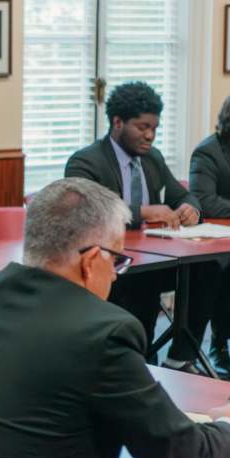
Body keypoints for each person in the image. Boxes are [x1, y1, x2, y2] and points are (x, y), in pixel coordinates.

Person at [0, 177, 230, 458]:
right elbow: (185, 457)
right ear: (91, 261)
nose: (117, 276)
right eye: (117, 260)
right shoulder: (101, 332)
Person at [65, 81, 209, 375]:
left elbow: (183, 193)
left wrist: (190, 208)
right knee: (137, 291)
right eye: (142, 127)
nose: (150, 136)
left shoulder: (152, 158)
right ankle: (133, 362)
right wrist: (142, 211)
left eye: (155, 128)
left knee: (208, 267)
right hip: (111, 260)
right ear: (117, 122)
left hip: (155, 256)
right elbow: (86, 213)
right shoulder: (86, 161)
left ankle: (180, 355)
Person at [190, 91, 230, 378]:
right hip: (217, 250)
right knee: (229, 272)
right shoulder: (209, 152)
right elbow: (205, 201)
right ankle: (219, 347)